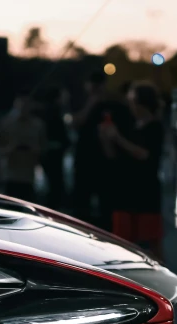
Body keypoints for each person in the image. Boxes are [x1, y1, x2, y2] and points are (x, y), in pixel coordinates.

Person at [99, 81, 166, 259]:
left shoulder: (154, 127)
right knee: (122, 240)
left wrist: (117, 138)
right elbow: (114, 156)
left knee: (150, 240)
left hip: (145, 190)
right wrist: (106, 138)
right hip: (125, 189)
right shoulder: (131, 125)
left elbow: (144, 154)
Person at [71, 70, 134, 229]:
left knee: (107, 204)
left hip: (105, 161)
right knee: (82, 203)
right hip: (84, 159)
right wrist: (92, 103)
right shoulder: (82, 102)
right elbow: (76, 122)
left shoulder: (113, 105)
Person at [0, 93, 46, 201]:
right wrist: (10, 149)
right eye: (21, 104)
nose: (24, 107)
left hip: (29, 176)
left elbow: (43, 149)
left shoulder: (38, 125)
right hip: (10, 175)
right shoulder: (6, 124)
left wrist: (34, 150)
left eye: (27, 104)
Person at [37, 86, 71, 209]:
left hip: (53, 154)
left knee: (54, 185)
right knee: (55, 185)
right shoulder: (54, 112)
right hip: (53, 155)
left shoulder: (52, 111)